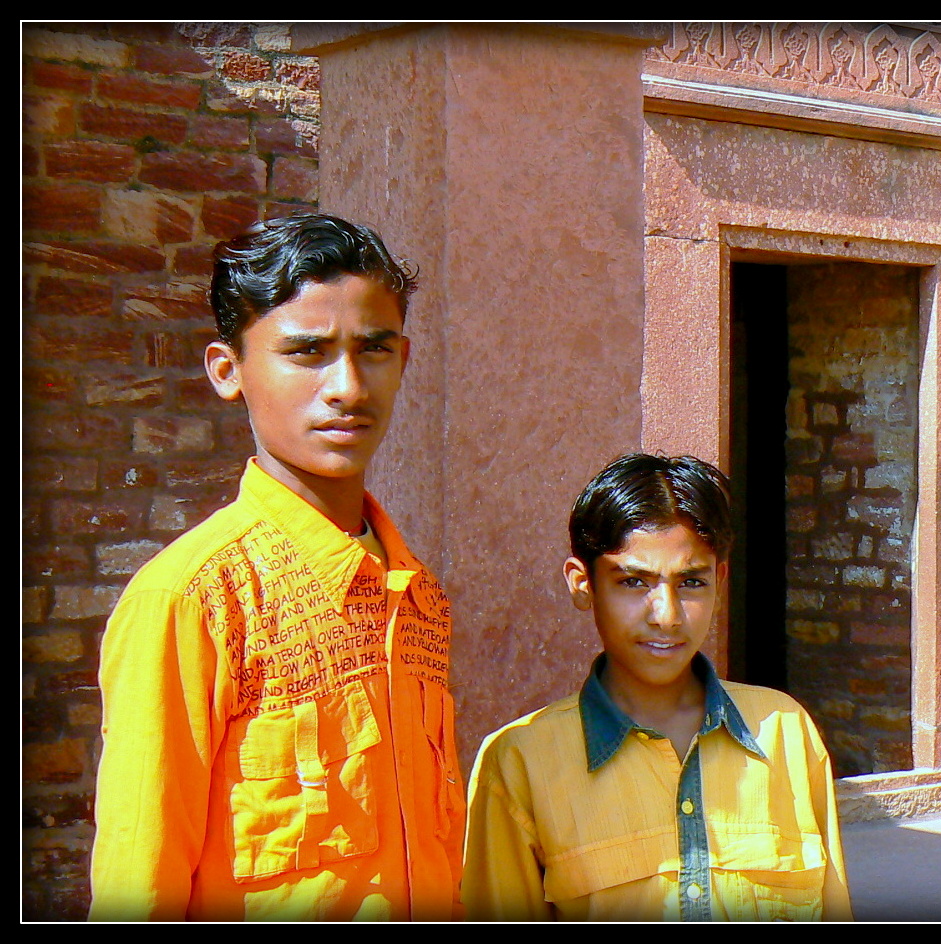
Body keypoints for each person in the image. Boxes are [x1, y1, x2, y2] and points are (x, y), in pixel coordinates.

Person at [89, 214, 464, 922]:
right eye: (307, 352)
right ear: (228, 371)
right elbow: (138, 885)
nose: (347, 387)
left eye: (374, 350)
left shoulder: (419, 597)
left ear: (405, 360)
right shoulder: (194, 598)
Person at [462, 454, 852, 922]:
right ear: (582, 583)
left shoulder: (785, 731)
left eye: (690, 582)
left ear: (719, 581)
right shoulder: (521, 761)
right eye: (633, 582)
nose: (666, 615)